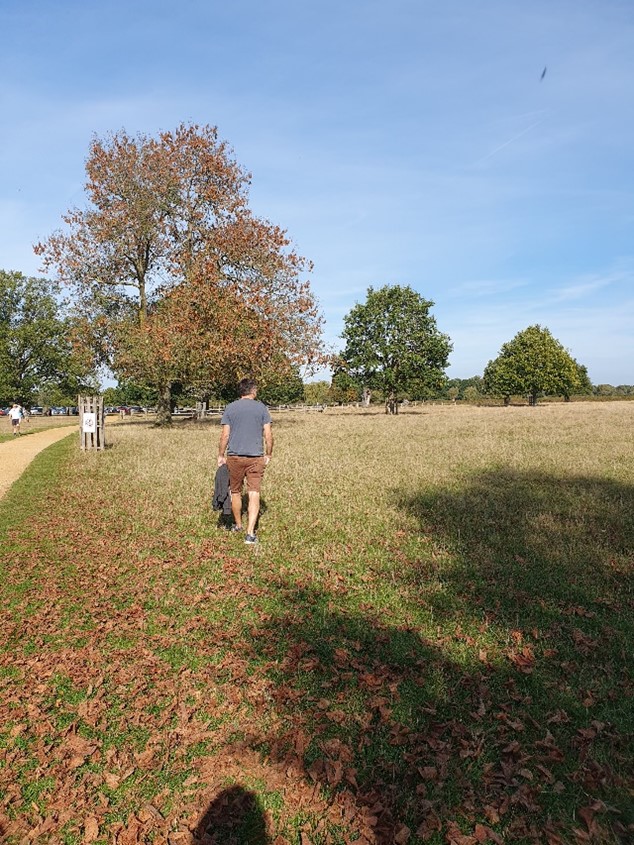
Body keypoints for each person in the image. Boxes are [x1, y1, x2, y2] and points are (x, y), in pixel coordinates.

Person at [217, 378, 273, 545]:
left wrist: (221, 454)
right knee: (254, 492)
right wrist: (268, 454)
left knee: (235, 491)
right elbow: (268, 435)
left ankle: (238, 525)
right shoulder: (262, 408)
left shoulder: (230, 408)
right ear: (253, 391)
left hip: (234, 456)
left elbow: (225, 435)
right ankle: (250, 534)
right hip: (256, 457)